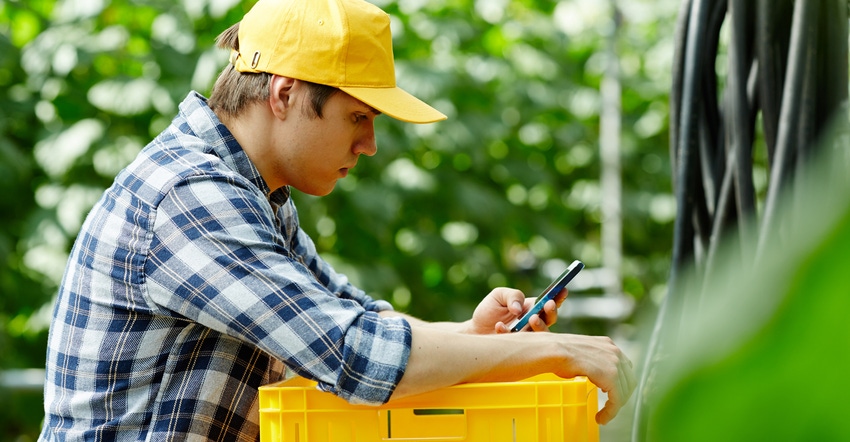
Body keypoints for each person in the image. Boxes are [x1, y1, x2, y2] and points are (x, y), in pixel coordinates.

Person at [39, 0, 635, 440]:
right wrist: (558, 353)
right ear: (285, 94)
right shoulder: (190, 196)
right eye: (357, 118)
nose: (370, 144)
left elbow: (352, 317)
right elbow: (353, 356)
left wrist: (474, 336)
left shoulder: (254, 193)